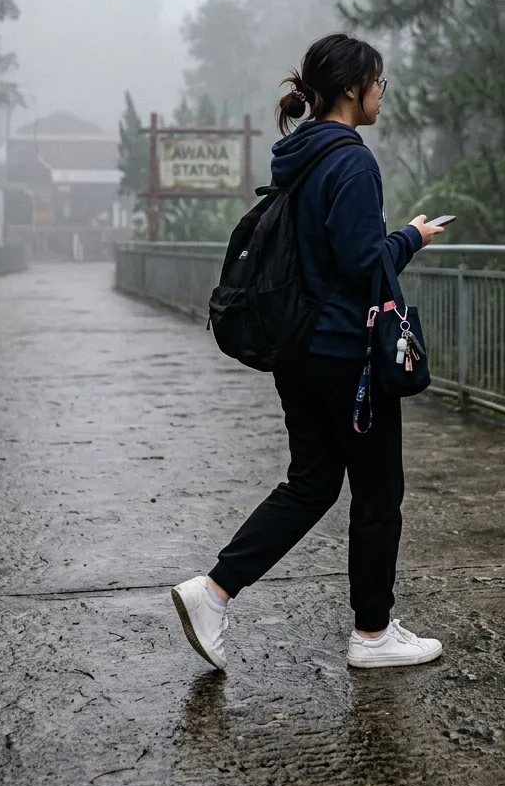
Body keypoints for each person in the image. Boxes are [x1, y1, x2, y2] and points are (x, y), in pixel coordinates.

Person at [172, 33, 446, 671]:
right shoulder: (351, 161)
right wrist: (411, 236)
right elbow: (358, 264)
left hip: (298, 351)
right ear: (353, 88)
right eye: (378, 82)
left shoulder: (296, 157)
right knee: (378, 493)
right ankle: (373, 636)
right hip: (345, 357)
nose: (382, 95)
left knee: (312, 483)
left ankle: (212, 593)